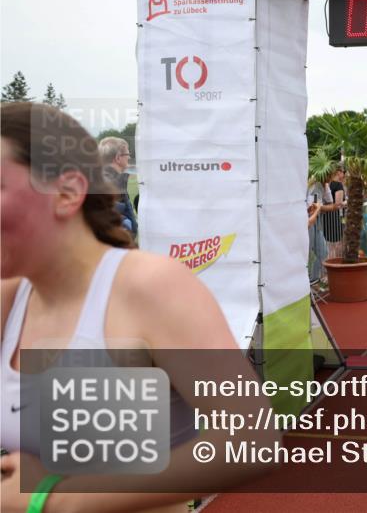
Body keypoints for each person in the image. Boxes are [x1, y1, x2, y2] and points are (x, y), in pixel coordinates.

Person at [0, 102, 275, 512]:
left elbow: (252, 439)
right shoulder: (10, 299)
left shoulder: (151, 287)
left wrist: (57, 498)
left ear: (67, 193)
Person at [97, 136, 138, 239]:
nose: (129, 157)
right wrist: (125, 224)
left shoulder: (115, 178)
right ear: (118, 158)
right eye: (127, 154)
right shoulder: (108, 182)